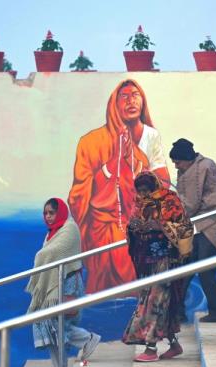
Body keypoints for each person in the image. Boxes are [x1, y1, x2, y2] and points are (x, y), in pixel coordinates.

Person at [68, 79, 170, 294]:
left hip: (140, 221)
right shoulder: (91, 142)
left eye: (135, 95)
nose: (131, 101)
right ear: (113, 104)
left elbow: (162, 181)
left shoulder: (150, 137)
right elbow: (79, 194)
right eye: (124, 96)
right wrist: (111, 167)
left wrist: (136, 166)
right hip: (103, 225)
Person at [26, 197, 101, 367]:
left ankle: (88, 339)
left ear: (60, 212)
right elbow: (48, 254)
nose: (48, 216)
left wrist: (39, 256)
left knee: (59, 322)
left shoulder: (70, 229)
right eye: (45, 213)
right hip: (53, 283)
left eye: (51, 213)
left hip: (67, 281)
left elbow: (53, 253)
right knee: (45, 322)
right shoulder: (52, 232)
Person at [122, 171, 193, 362]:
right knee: (158, 301)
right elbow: (132, 226)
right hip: (148, 261)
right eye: (141, 191)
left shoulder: (170, 200)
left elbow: (184, 226)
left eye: (147, 190)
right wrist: (135, 227)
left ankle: (151, 349)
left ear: (155, 187)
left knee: (155, 302)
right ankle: (174, 345)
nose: (144, 194)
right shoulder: (140, 203)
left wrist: (159, 226)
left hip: (167, 260)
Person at [169, 138, 216, 322]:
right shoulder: (186, 170)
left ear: (186, 158)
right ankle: (178, 312)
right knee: (186, 268)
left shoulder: (207, 168)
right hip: (196, 226)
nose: (176, 166)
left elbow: (207, 202)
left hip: (210, 225)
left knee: (204, 269)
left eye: (178, 162)